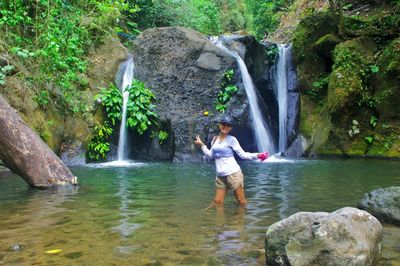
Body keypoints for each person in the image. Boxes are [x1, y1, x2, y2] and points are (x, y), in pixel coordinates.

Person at [194, 114, 268, 208]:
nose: (225, 127)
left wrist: (257, 155)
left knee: (241, 201)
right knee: (218, 201)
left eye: (228, 125)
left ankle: (240, 221)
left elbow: (243, 155)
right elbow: (211, 156)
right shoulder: (215, 139)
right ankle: (219, 222)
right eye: (223, 124)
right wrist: (202, 145)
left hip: (233, 174)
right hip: (220, 176)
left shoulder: (232, 140)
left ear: (231, 128)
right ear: (219, 125)